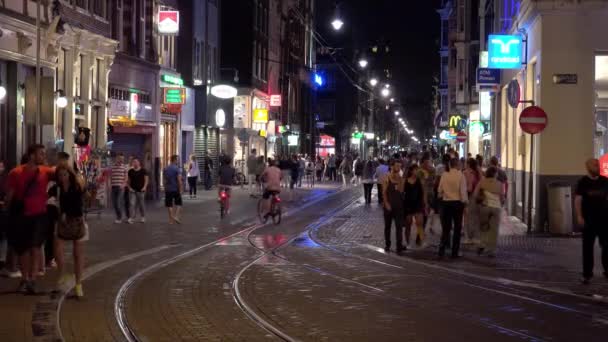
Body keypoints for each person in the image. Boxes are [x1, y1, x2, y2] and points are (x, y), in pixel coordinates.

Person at [6, 144, 54, 294]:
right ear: (32, 155)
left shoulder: (46, 171)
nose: (44, 156)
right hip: (22, 216)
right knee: (23, 249)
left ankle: (32, 279)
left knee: (35, 247)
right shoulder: (16, 172)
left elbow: (63, 174)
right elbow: (10, 195)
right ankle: (25, 279)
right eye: (41, 154)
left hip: (39, 215)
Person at [54, 164, 88, 298]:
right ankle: (62, 272)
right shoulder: (57, 188)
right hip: (63, 223)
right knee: (57, 247)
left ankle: (79, 285)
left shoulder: (77, 186)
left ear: (70, 174)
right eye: (60, 175)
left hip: (78, 221)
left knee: (78, 255)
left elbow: (84, 198)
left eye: (65, 174)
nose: (63, 178)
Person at [575, 158, 608, 285]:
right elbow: (578, 200)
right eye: (595, 165)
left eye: (598, 165)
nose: (597, 167)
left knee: (606, 246)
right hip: (588, 220)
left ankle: (607, 271)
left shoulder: (605, 181)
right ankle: (587, 274)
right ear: (588, 167)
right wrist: (579, 216)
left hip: (604, 220)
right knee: (587, 248)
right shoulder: (583, 182)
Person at [437, 158, 468, 258]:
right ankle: (455, 252)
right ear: (457, 164)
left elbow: (439, 190)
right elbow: (463, 192)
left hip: (446, 204)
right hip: (457, 204)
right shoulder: (461, 175)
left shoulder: (444, 175)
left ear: (450, 165)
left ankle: (441, 250)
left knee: (446, 228)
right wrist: (465, 202)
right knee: (457, 228)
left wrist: (442, 195)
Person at [474, 167, 503, 258]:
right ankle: (491, 250)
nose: (497, 174)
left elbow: (475, 194)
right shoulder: (500, 184)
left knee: (483, 227)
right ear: (494, 174)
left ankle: (482, 244)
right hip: (496, 208)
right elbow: (502, 198)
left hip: (484, 207)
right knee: (494, 230)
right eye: (497, 173)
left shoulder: (482, 182)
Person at [382, 159, 406, 254]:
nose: (398, 168)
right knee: (388, 226)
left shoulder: (400, 178)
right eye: (396, 166)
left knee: (399, 227)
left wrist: (400, 180)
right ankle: (387, 244)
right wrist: (386, 203)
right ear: (391, 166)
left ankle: (399, 247)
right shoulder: (386, 178)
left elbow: (401, 191)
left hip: (398, 206)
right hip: (388, 206)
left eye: (400, 166)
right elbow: (383, 192)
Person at [404, 164, 426, 247]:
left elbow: (423, 192)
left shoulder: (419, 181)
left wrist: (424, 203)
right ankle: (407, 242)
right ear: (411, 171)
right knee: (408, 224)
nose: (416, 171)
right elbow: (402, 192)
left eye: (417, 170)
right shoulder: (406, 181)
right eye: (415, 170)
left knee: (420, 223)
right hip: (408, 204)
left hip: (418, 204)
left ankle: (422, 240)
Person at [463, 158, 483, 243]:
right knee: (476, 217)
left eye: (466, 163)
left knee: (467, 218)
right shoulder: (478, 173)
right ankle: (476, 237)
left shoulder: (466, 173)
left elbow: (469, 188)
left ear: (468, 164)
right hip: (478, 198)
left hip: (470, 197)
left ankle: (468, 237)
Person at [127, 158, 149, 224]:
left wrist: (144, 187)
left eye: (136, 162)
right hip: (132, 191)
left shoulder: (143, 170)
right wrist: (129, 188)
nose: (135, 163)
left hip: (141, 191)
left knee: (141, 204)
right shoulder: (130, 171)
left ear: (139, 163)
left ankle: (143, 217)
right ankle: (131, 218)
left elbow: (146, 180)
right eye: (133, 162)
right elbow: (128, 181)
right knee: (132, 204)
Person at [163, 155, 183, 224]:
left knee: (169, 204)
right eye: (177, 160)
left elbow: (164, 180)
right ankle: (176, 216)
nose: (178, 161)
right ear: (175, 160)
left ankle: (171, 220)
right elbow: (179, 180)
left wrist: (165, 187)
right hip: (176, 188)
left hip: (168, 189)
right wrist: (180, 189)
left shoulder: (165, 168)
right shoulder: (177, 169)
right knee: (179, 203)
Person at [110, 154, 128, 224]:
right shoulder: (112, 167)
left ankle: (119, 217)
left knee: (118, 203)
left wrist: (123, 184)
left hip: (121, 188)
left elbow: (126, 178)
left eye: (122, 159)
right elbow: (110, 176)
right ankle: (118, 216)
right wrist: (110, 185)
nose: (121, 160)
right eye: (120, 158)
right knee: (114, 204)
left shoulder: (124, 167)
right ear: (117, 158)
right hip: (113, 187)